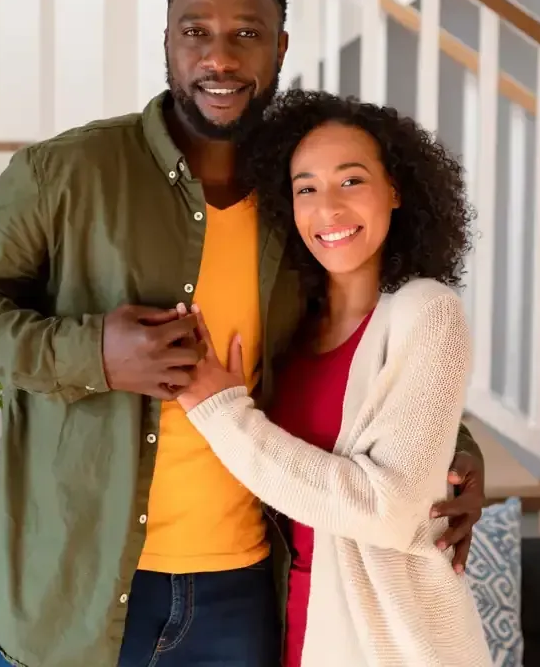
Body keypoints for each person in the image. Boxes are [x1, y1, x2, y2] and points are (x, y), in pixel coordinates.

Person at [0, 0, 486, 667]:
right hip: (74, 595)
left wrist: (453, 453)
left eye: (247, 33)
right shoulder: (72, 171)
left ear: (280, 48)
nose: (220, 57)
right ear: (168, 43)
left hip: (240, 598)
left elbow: (352, 351)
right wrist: (96, 354)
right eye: (196, 33)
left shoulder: (297, 196)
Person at [176, 89, 490, 667]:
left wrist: (220, 412)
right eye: (306, 189)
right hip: (292, 619)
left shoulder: (427, 311)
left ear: (394, 189)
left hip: (392, 641)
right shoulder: (294, 328)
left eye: (351, 181)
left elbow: (389, 510)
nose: (329, 209)